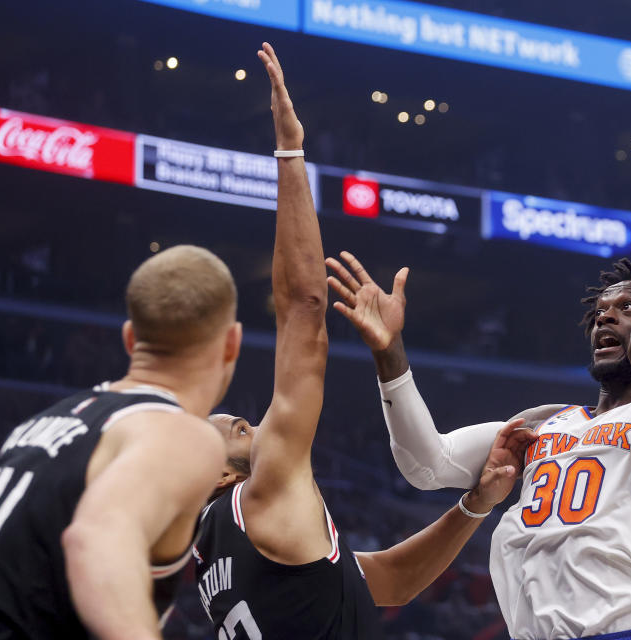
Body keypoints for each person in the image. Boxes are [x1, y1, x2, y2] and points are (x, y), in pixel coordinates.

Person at [192, 43, 535, 640]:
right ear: (222, 476)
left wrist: (476, 504)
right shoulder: (264, 491)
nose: (253, 423)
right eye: (240, 429)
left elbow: (386, 584)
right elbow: (303, 308)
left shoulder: (212, 551)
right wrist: (291, 149)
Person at [326, 189, 631, 640]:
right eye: (599, 313)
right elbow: (424, 465)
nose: (605, 319)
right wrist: (389, 354)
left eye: (626, 308)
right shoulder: (544, 420)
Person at [0, 244, 240, 639]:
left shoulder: (41, 424)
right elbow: (96, 538)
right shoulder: (180, 433)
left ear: (130, 339)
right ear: (232, 342)